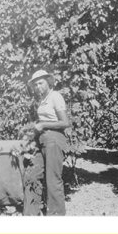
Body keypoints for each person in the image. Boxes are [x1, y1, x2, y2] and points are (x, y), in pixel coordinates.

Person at [23, 70, 70, 216]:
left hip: (54, 140)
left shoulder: (55, 96)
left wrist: (43, 125)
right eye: (35, 84)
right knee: (32, 176)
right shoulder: (43, 100)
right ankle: (31, 214)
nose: (38, 87)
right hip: (41, 140)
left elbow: (65, 123)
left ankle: (55, 218)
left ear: (48, 83)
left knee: (52, 180)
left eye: (41, 83)